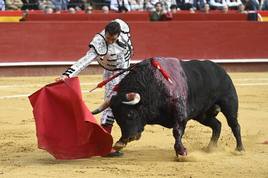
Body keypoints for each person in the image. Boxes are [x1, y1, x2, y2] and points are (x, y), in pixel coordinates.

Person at [56, 19, 133, 157]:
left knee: (134, 102)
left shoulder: (123, 27)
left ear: (118, 34)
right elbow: (85, 61)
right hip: (113, 75)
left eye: (112, 38)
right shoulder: (99, 42)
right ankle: (104, 145)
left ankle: (130, 133)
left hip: (128, 72)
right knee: (110, 106)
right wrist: (67, 75)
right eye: (108, 37)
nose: (110, 40)